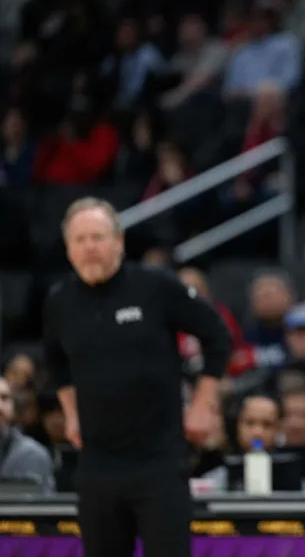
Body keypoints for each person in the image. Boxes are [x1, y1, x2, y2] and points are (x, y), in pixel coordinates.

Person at [43, 197, 231, 557]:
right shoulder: (59, 300)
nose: (89, 248)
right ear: (68, 249)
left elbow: (217, 335)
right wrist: (70, 412)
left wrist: (204, 404)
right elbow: (55, 361)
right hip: (97, 464)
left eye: (97, 237)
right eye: (79, 240)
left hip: (158, 462)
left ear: (119, 241)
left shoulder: (155, 286)